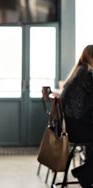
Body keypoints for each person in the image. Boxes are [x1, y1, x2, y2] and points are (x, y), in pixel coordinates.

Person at [60, 44, 93, 187]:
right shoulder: (86, 74)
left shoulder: (80, 71)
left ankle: (88, 174)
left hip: (72, 126)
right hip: (77, 128)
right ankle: (86, 173)